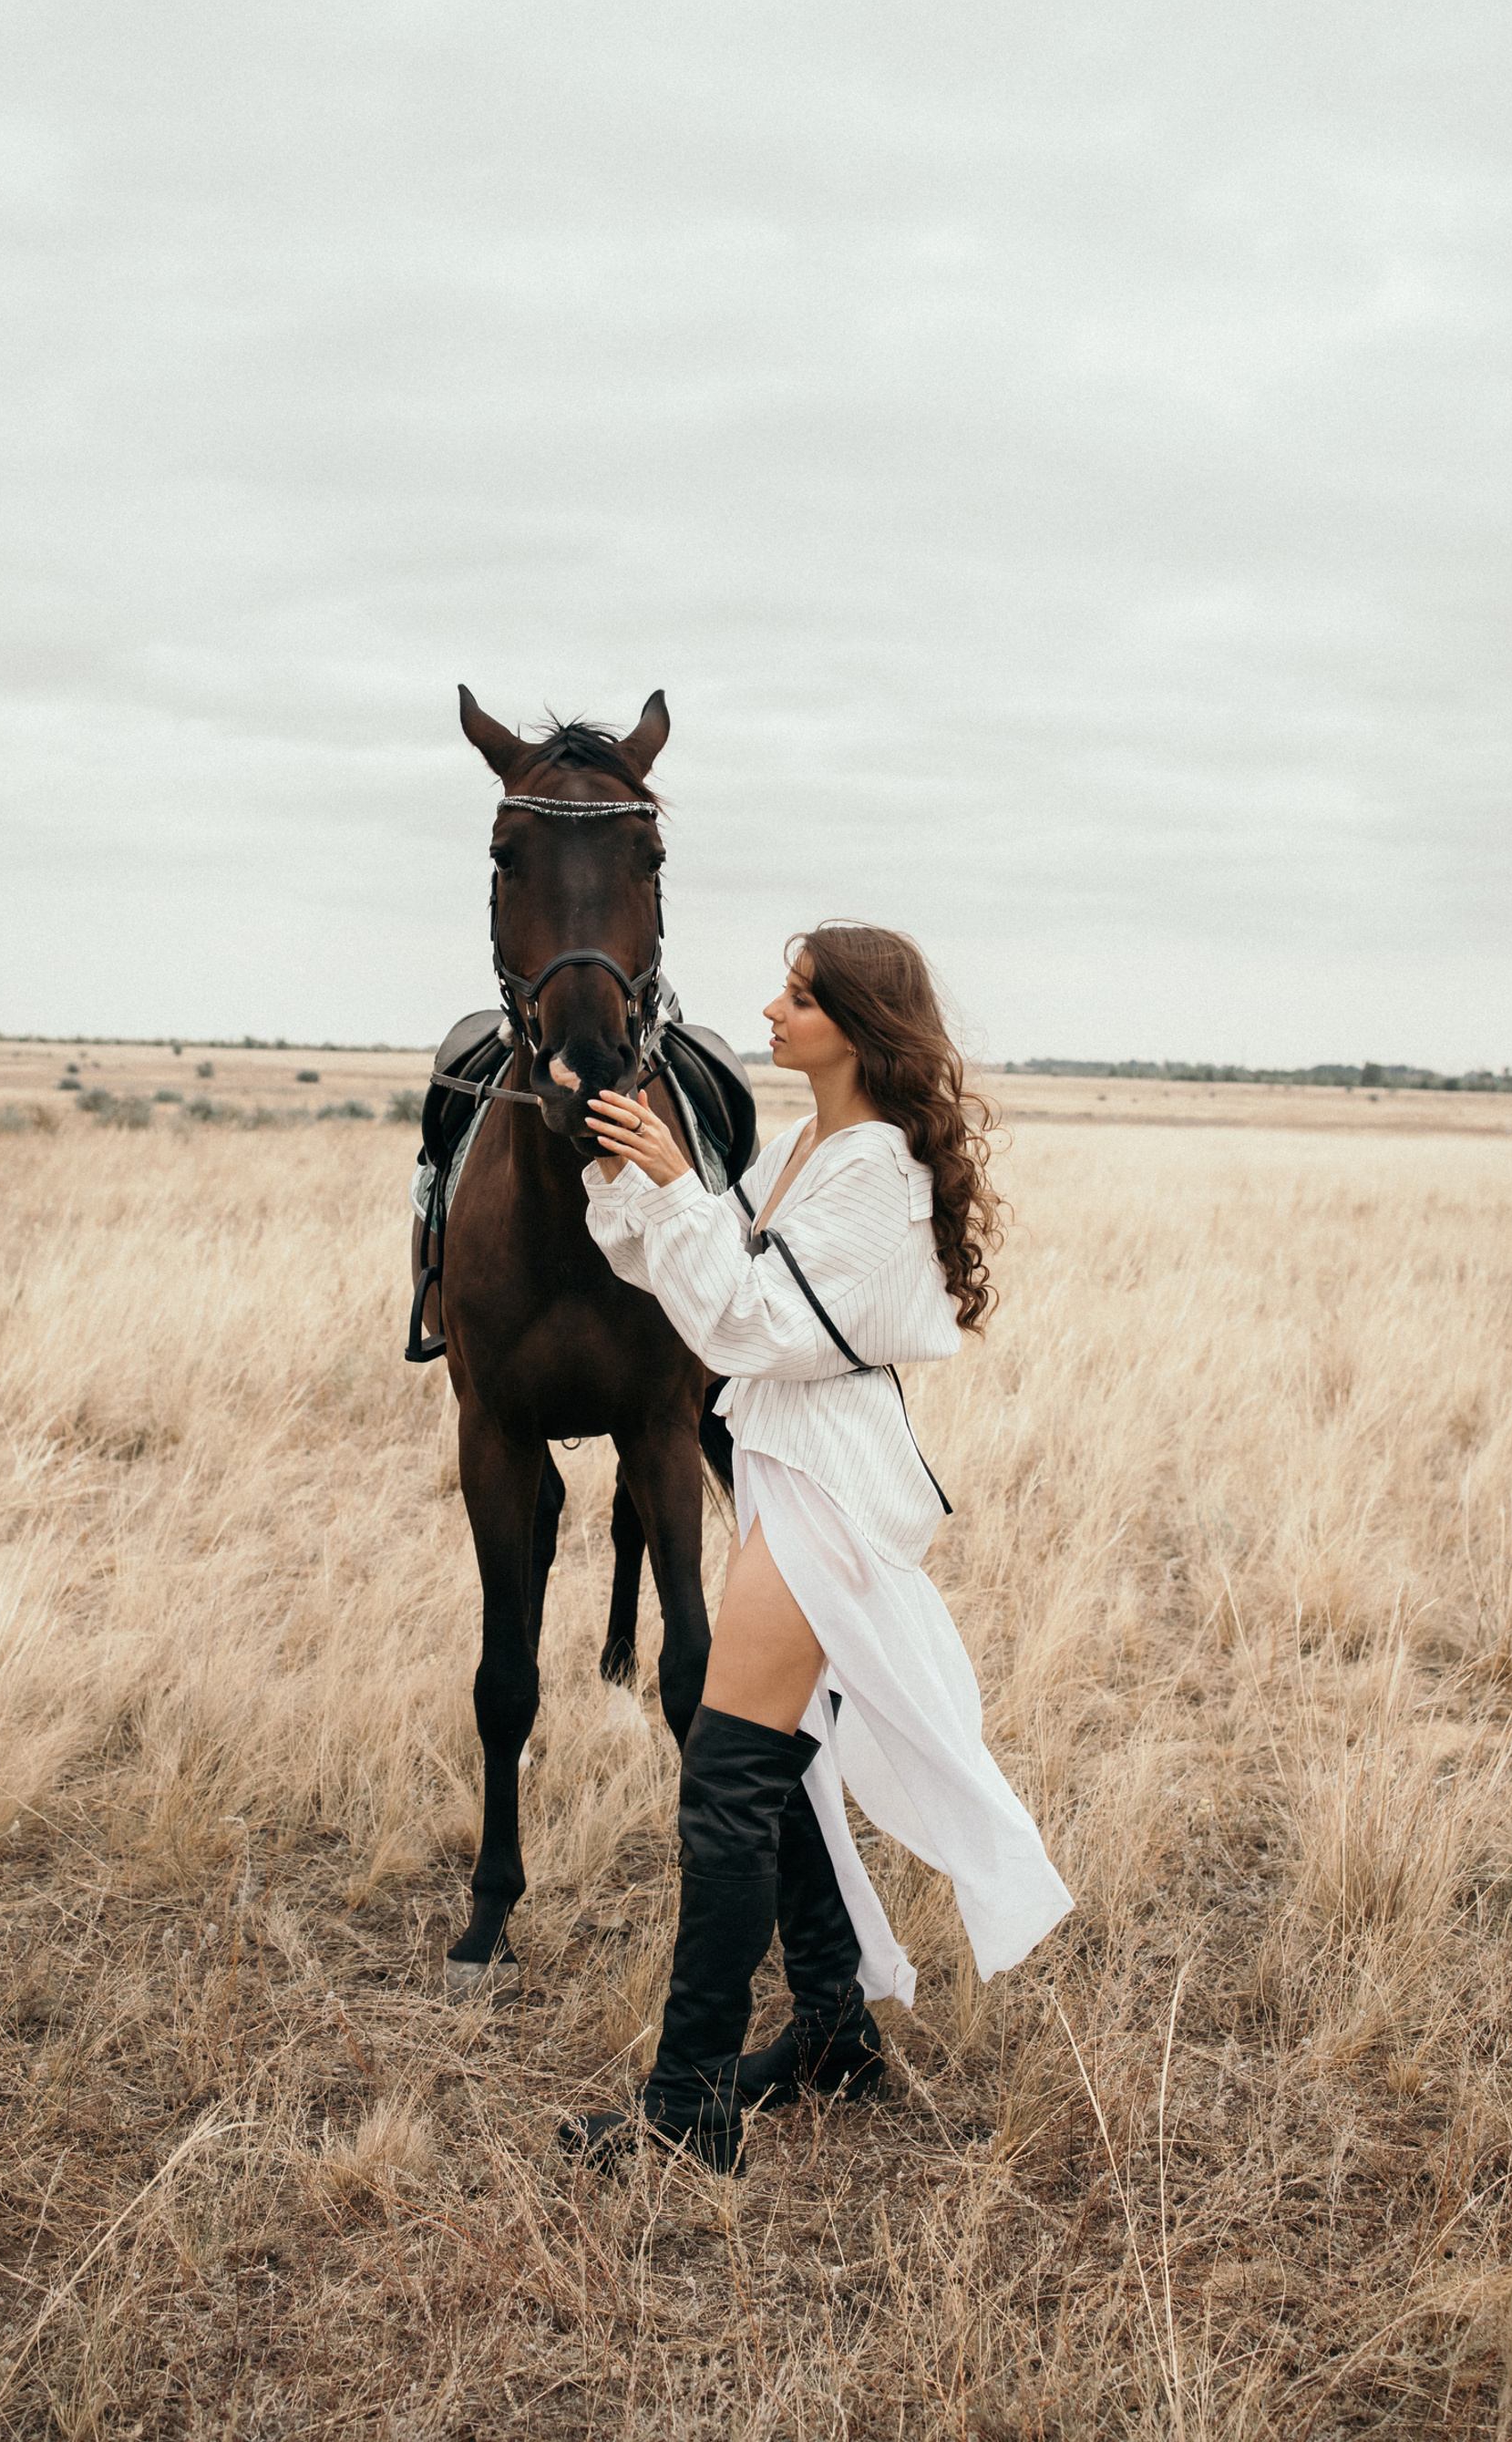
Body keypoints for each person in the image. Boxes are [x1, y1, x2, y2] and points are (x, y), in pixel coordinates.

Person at [559, 922, 1074, 2174]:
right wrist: (628, 1167)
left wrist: (681, 1184)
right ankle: (836, 2031)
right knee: (773, 1763)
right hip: (780, 1466)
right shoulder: (799, 1146)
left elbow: (747, 1320)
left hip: (831, 1484)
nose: (772, 1011)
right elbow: (682, 1274)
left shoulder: (879, 1175)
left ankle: (688, 2103)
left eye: (798, 996)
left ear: (857, 1023)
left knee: (729, 1777)